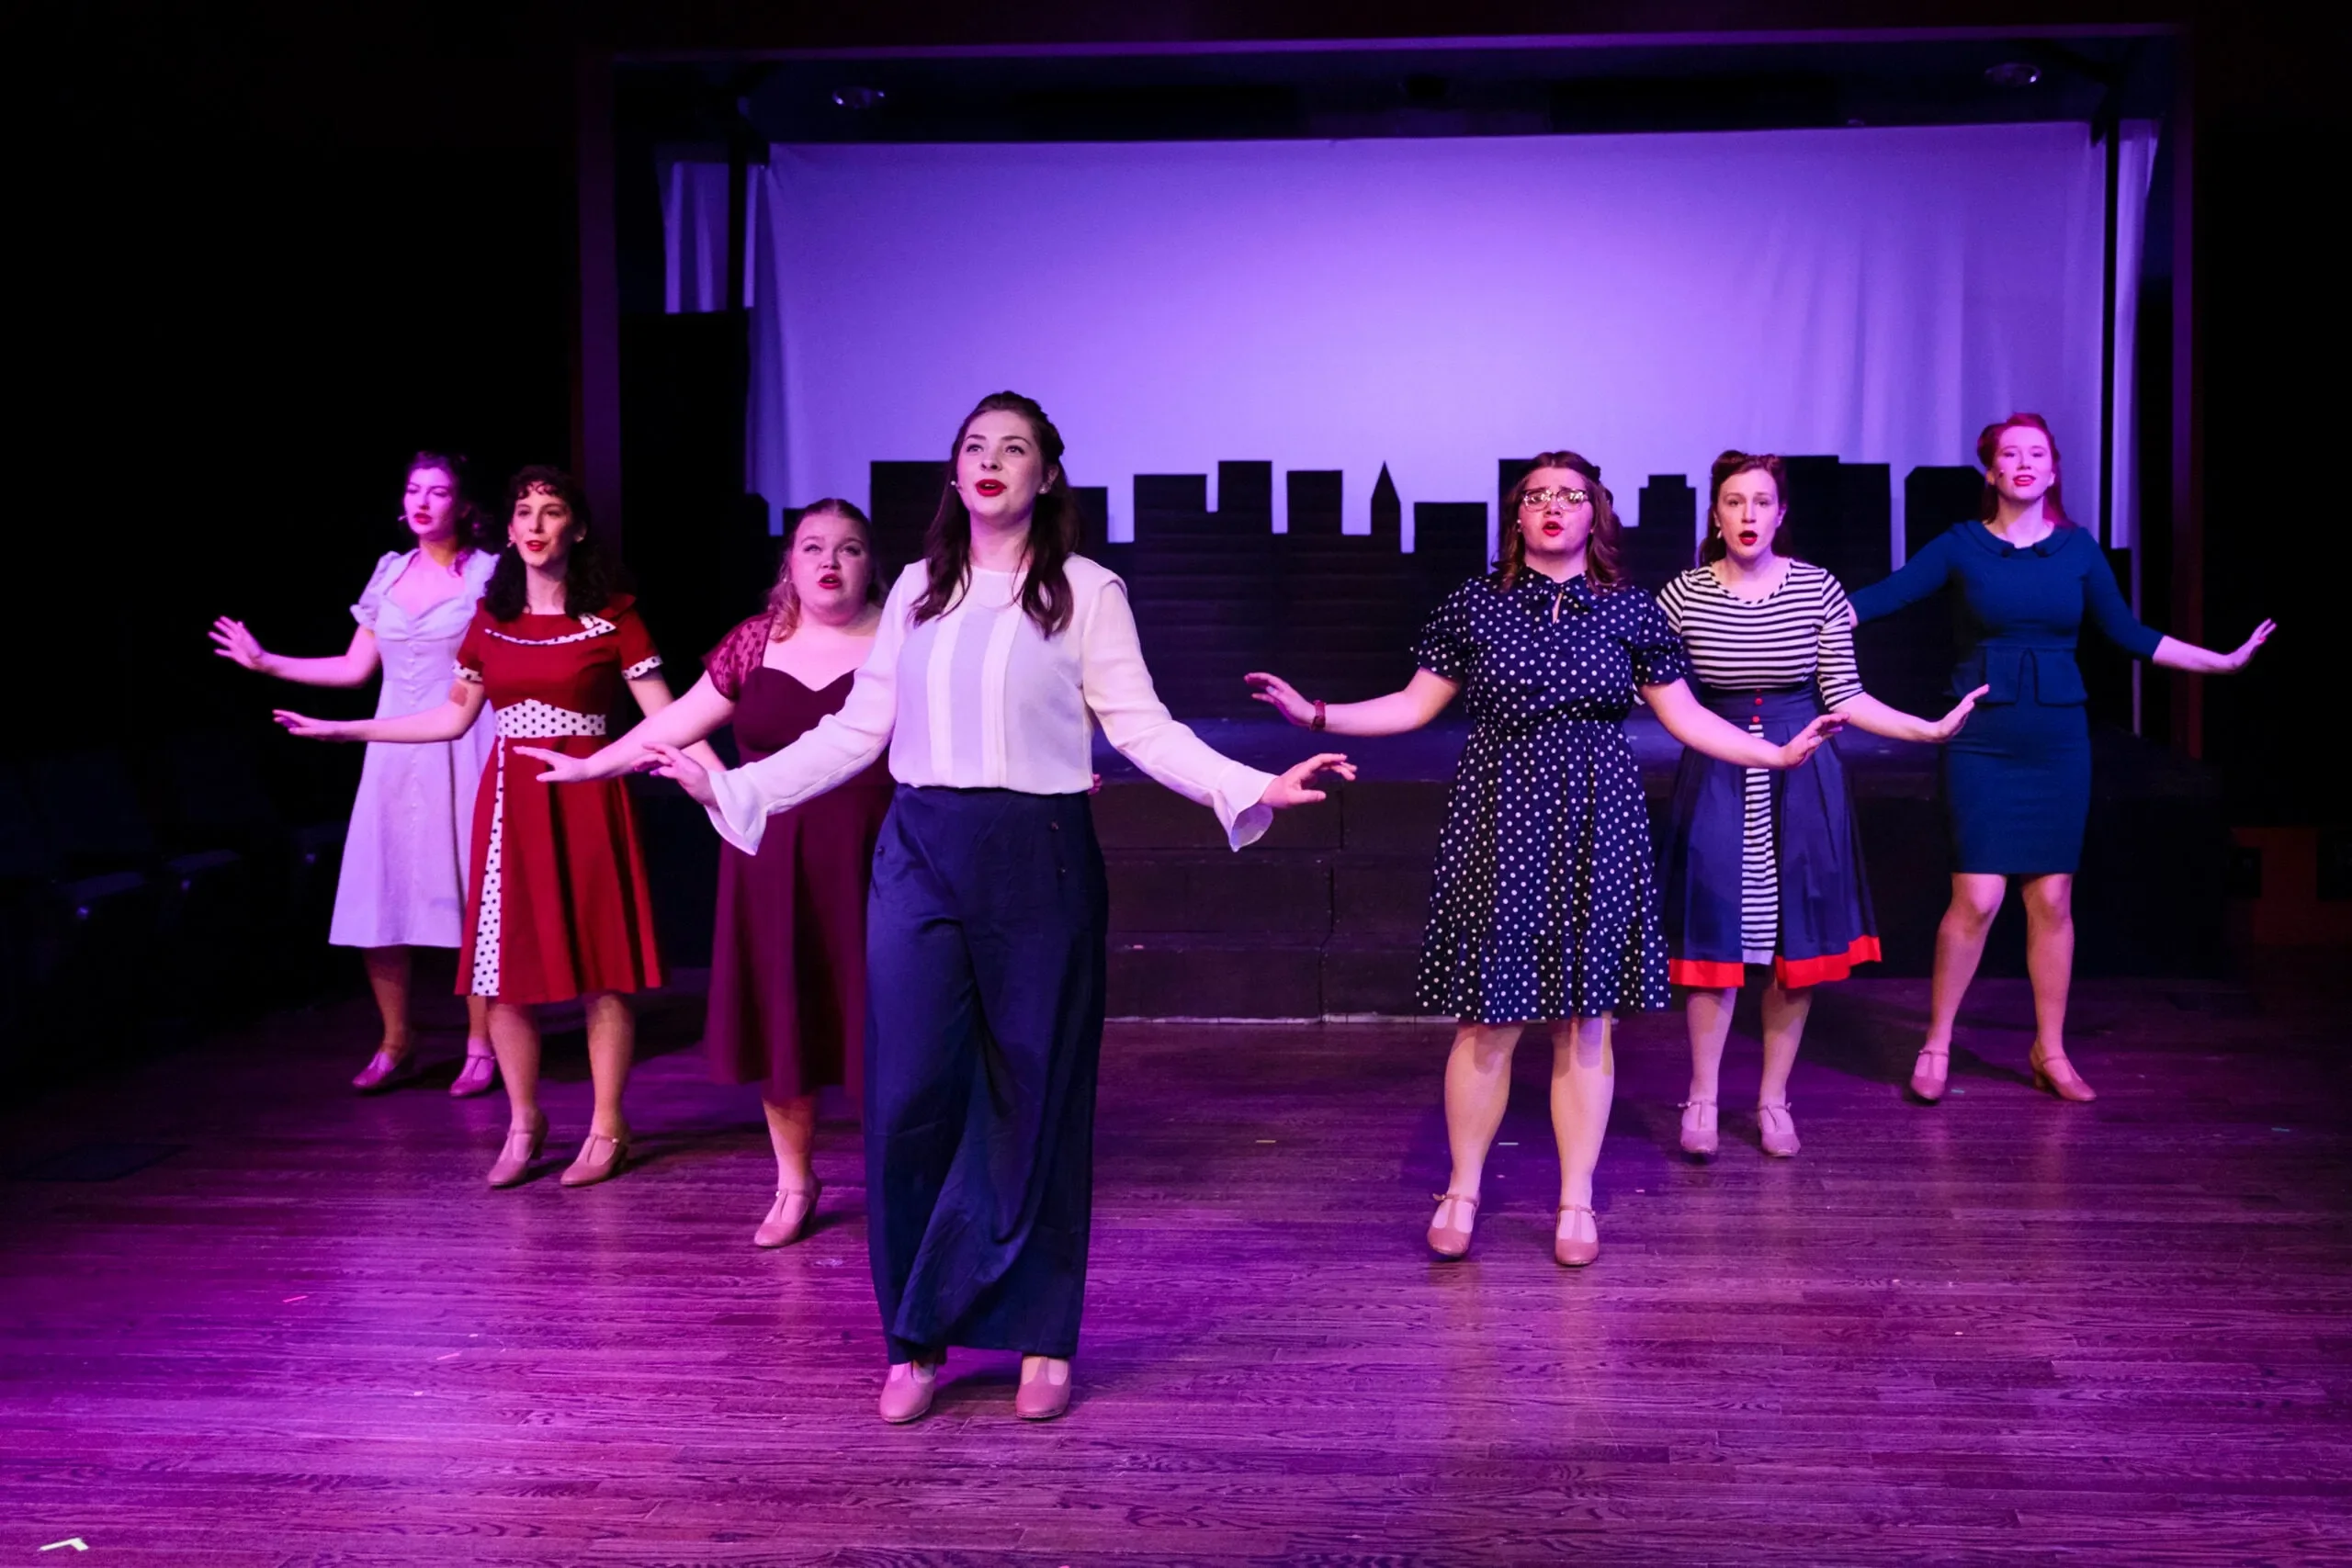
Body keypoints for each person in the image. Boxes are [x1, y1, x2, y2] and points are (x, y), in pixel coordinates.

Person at [643, 392, 1350, 1425]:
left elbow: (1140, 727)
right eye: (974, 446)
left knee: (1036, 1090)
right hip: (919, 851)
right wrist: (734, 789)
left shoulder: (1088, 593)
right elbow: (854, 736)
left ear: (1046, 477)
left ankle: (1037, 1334)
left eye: (1014, 449)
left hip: (1039, 854)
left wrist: (1248, 785)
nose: (991, 462)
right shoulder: (919, 593)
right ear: (955, 473)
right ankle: (916, 1336)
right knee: (907, 1096)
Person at [1247, 451, 1840, 1269]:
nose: (1555, 507)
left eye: (1572, 495)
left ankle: (1575, 1198)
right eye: (1538, 497)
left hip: (1599, 818)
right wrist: (1317, 715)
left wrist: (1769, 756)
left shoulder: (1632, 612)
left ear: (1596, 515)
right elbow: (1412, 704)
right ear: (1517, 517)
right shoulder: (1473, 607)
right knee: (1489, 1018)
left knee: (1585, 1022)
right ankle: (1461, 1187)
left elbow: (1687, 716)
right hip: (1500, 816)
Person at [275, 466, 689, 1187]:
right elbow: (453, 716)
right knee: (500, 974)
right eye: (523, 512)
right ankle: (525, 1122)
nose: (534, 525)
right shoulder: (490, 620)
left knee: (605, 973)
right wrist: (349, 731)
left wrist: (728, 787)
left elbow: (672, 718)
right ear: (508, 529)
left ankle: (607, 1124)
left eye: (551, 511)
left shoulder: (615, 616)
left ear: (577, 528)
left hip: (591, 798)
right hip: (508, 803)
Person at [1849, 414, 2272, 1103]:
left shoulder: (2077, 550)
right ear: (1990, 471)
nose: (2023, 462)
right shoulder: (1961, 546)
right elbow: (1885, 596)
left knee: (2051, 896)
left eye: (2036, 453)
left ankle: (2050, 1048)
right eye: (2009, 454)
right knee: (1978, 897)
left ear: (2052, 470)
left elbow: (2129, 632)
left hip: (2056, 741)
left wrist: (2219, 662)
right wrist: (1789, 608)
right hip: (1982, 737)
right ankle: (1936, 1040)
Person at [523, 500, 887, 1247]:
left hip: (879, 859)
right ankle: (795, 1182)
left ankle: (903, 1179)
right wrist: (595, 764)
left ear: (869, 563)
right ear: (788, 560)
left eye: (849, 549)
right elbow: (675, 720)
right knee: (785, 1021)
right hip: (772, 860)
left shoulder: (905, 642)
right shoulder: (755, 642)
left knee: (891, 1026)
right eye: (814, 546)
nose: (830, 561)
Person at [1656, 451, 1984, 1160]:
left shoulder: (1817, 589)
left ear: (1781, 514)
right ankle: (1704, 1096)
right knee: (1715, 941)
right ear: (1715, 514)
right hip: (1716, 771)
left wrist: (1925, 729)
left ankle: (1774, 1099)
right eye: (1735, 502)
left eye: (1762, 502)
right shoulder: (1682, 595)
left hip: (1802, 775)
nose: (1748, 515)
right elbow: (1659, 694)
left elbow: (1847, 694)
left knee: (1791, 946)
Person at [211, 452, 499, 1095]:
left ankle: (483, 1041)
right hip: (392, 746)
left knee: (471, 893)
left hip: (466, 739)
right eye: (413, 489)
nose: (423, 501)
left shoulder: (489, 574)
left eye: (440, 491)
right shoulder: (389, 572)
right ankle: (397, 1037)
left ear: (464, 506)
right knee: (384, 889)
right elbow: (353, 668)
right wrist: (266, 664)